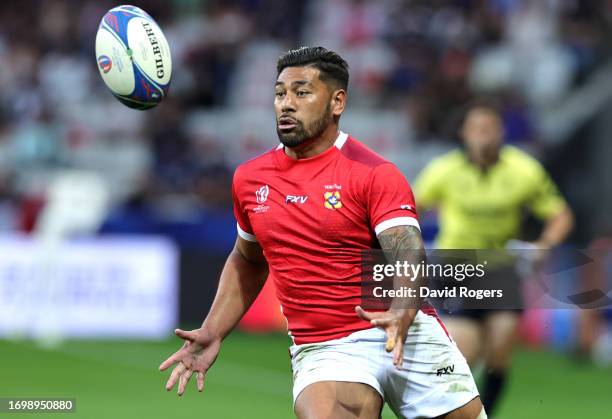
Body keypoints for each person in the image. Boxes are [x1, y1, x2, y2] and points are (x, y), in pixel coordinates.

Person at [159, 46, 485, 419]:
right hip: (327, 347)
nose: (286, 103)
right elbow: (248, 259)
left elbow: (408, 252)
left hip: (406, 329)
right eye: (280, 93)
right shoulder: (251, 179)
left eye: (302, 92)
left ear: (337, 102)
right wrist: (214, 329)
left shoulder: (373, 172)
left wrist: (402, 311)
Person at [414, 99, 574, 416]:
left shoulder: (524, 170)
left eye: (490, 128)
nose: (484, 135)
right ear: (464, 133)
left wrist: (543, 244)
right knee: (464, 353)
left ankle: (483, 413)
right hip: (455, 268)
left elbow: (561, 215)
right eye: (477, 128)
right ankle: (441, 410)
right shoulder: (443, 170)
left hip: (502, 268)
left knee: (500, 351)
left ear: (501, 132)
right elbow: (409, 209)